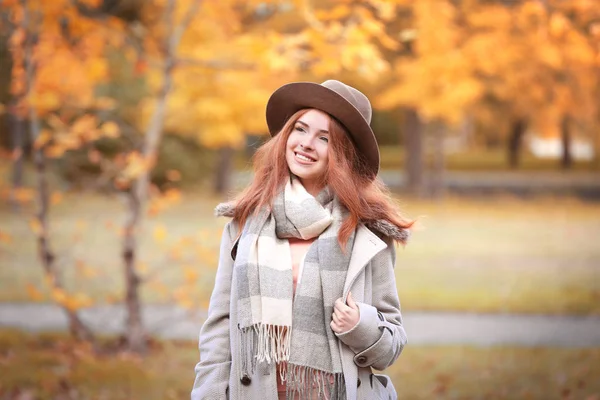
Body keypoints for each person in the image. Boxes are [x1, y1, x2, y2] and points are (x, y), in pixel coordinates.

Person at [191, 80, 412, 400]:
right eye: (300, 129)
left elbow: (391, 343)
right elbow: (220, 325)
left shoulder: (368, 233)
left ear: (343, 155)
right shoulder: (245, 224)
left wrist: (361, 325)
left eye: (324, 138)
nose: (306, 143)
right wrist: (208, 393)